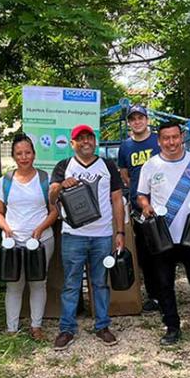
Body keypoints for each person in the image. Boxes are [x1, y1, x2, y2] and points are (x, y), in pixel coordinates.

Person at [137, 121, 190, 346]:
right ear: (159, 141)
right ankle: (172, 327)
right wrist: (146, 207)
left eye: (175, 137)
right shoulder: (151, 165)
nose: (171, 142)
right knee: (164, 284)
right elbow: (141, 195)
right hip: (162, 236)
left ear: (181, 138)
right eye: (166, 138)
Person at [49, 124, 126, 350]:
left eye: (89, 138)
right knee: (71, 284)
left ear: (95, 141)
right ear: (72, 143)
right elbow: (52, 198)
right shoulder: (64, 166)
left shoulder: (108, 165)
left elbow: (117, 200)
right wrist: (62, 185)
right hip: (73, 235)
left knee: (100, 283)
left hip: (102, 235)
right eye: (80, 138)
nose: (86, 142)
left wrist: (119, 231)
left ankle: (102, 325)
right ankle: (66, 329)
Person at [0, 133, 58, 341]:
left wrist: (39, 229)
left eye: (27, 152)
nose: (24, 157)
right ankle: (12, 329)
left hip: (41, 240)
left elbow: (54, 211)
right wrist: (5, 228)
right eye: (19, 153)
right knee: (14, 284)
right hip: (13, 242)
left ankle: (36, 326)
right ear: (13, 156)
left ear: (34, 154)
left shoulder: (45, 179)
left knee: (38, 282)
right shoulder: (5, 181)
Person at [117, 104, 161, 312]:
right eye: (133, 119)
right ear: (129, 123)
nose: (137, 122)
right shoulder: (125, 146)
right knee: (145, 254)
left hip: (161, 206)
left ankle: (167, 292)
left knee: (165, 251)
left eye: (140, 118)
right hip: (138, 208)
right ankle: (154, 296)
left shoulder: (158, 141)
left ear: (147, 119)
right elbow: (124, 174)